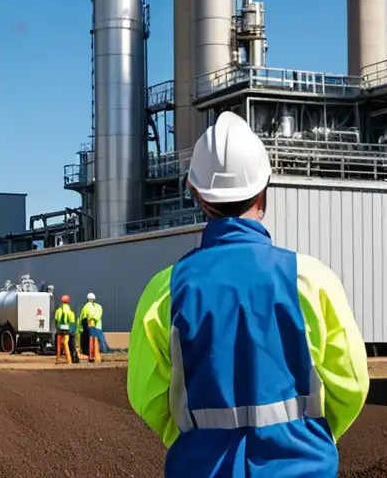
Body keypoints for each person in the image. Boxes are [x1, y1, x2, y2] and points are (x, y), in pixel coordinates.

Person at [126, 111, 369, 476]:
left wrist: (197, 442)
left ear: (196, 193)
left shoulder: (165, 290)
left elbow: (146, 393)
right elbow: (350, 383)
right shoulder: (311, 280)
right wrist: (311, 440)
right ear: (264, 187)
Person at [79, 292, 106, 362]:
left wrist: (81, 327)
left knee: (91, 341)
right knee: (99, 343)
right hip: (97, 327)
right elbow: (97, 316)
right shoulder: (98, 306)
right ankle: (97, 356)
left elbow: (82, 317)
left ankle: (92, 356)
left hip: (90, 326)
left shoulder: (86, 306)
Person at [53, 295, 79, 364]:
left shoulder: (58, 310)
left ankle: (57, 360)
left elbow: (56, 319)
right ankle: (69, 360)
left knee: (59, 345)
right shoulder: (70, 311)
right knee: (66, 344)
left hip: (59, 329)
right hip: (67, 330)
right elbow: (72, 321)